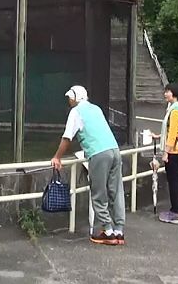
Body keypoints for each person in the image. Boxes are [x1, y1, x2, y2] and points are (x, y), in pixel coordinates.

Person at [51, 85, 125, 245]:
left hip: (99, 154)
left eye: (70, 97)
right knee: (116, 190)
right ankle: (119, 230)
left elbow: (67, 138)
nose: (69, 101)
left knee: (99, 193)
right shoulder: (96, 108)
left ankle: (108, 232)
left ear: (75, 98)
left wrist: (57, 157)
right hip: (114, 150)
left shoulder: (76, 112)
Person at [158, 82, 178, 224]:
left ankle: (175, 212)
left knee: (174, 181)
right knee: (177, 180)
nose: (165, 94)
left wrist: (166, 152)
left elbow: (173, 134)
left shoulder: (175, 110)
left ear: (175, 93)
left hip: (174, 151)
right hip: (177, 150)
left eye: (168, 91)